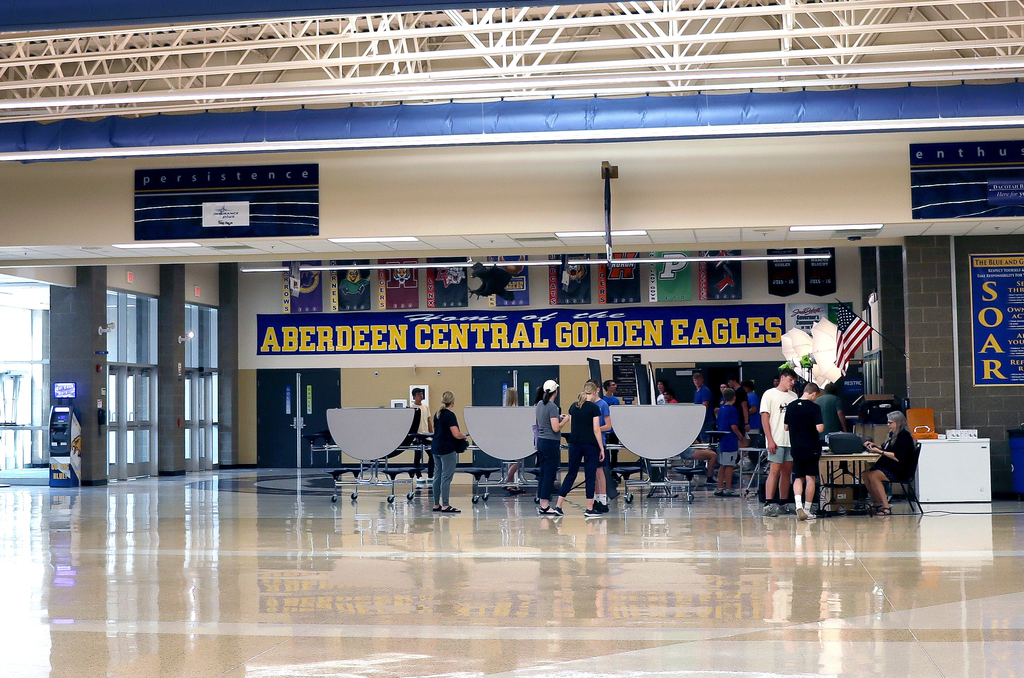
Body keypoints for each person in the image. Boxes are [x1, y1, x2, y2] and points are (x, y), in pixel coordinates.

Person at [553, 382, 606, 518]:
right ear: (593, 393)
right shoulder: (594, 408)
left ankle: (558, 506)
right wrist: (601, 448)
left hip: (575, 444)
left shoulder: (573, 406)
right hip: (590, 445)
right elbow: (596, 429)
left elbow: (573, 426)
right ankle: (589, 508)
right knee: (590, 476)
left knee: (571, 474)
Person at [861, 411, 919, 516]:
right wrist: (875, 446)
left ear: (899, 422)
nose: (888, 425)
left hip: (901, 469)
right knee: (865, 474)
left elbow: (897, 457)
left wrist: (880, 452)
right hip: (891, 466)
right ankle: (877, 503)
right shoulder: (893, 434)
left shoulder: (904, 436)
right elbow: (886, 447)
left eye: (890, 422)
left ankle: (886, 507)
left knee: (874, 475)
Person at [760, 368, 799, 517]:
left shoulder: (794, 396)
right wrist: (770, 439)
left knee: (786, 472)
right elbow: (765, 418)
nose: (792, 383)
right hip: (776, 440)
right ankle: (769, 503)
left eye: (794, 380)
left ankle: (783, 503)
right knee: (774, 471)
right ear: (782, 378)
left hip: (790, 440)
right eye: (790, 379)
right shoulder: (769, 394)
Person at [784, 382, 824, 521]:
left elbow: (786, 427)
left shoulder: (791, 406)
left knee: (798, 477)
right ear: (814, 393)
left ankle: (798, 505)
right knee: (810, 477)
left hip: (796, 446)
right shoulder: (814, 407)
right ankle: (807, 510)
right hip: (811, 447)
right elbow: (820, 428)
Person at [431, 390, 469, 513]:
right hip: (447, 449)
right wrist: (464, 436)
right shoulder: (450, 415)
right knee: (446, 477)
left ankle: (436, 504)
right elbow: (456, 434)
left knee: (437, 476)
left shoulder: (437, 414)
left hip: (436, 447)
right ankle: (446, 505)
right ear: (452, 402)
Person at [535, 380, 569, 515]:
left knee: (543, 472)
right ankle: (545, 505)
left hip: (541, 441)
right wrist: (565, 420)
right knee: (550, 474)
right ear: (556, 391)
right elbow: (555, 428)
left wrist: (557, 417)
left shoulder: (539, 405)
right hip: (551, 443)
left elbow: (544, 420)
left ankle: (541, 502)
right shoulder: (553, 407)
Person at [586, 378, 613, 512]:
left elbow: (608, 426)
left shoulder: (603, 404)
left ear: (596, 390)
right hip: (588, 441)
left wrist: (596, 429)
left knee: (599, 470)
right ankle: (596, 498)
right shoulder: (586, 404)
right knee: (592, 471)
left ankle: (602, 498)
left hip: (599, 440)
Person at [714, 388, 746, 497]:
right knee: (730, 465)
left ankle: (719, 487)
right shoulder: (733, 410)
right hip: (730, 440)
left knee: (722, 465)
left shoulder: (721, 409)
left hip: (722, 439)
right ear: (734, 398)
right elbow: (733, 426)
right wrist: (740, 436)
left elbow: (718, 424)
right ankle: (728, 488)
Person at [502, 388, 526, 493]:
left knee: (511, 462)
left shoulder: (505, 410)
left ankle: (510, 484)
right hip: (516, 438)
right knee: (518, 461)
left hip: (507, 438)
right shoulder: (516, 410)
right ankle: (508, 481)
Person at [410, 387, 433, 481]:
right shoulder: (412, 408)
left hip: (426, 434)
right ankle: (418, 475)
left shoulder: (425, 407)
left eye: (422, 394)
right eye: (419, 394)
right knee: (418, 455)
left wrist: (431, 433)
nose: (421, 396)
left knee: (432, 454)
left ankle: (430, 475)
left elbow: (428, 420)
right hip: (417, 435)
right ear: (414, 396)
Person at [692, 371, 714, 442]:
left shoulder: (704, 390)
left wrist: (701, 417)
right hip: (700, 419)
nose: (697, 382)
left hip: (706, 420)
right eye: (695, 380)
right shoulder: (696, 392)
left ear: (702, 380)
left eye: (698, 380)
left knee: (705, 440)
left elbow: (705, 406)